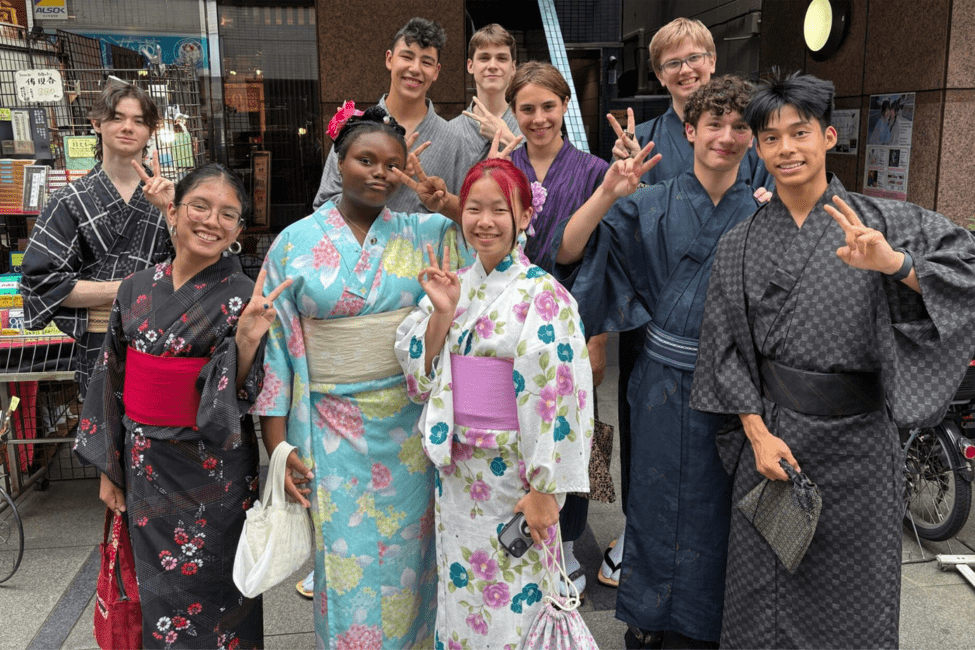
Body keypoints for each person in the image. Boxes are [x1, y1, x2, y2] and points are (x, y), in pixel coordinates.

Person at [690, 71, 975, 649]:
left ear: (828, 136)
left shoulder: (885, 221)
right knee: (762, 598)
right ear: (758, 147)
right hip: (775, 444)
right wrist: (756, 433)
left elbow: (967, 270)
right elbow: (721, 348)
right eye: (770, 138)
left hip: (862, 448)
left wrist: (896, 266)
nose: (786, 148)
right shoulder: (740, 243)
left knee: (855, 605)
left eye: (800, 133)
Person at [557, 76, 761, 649]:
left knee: (723, 510)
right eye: (713, 124)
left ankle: (715, 620)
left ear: (753, 137)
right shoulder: (647, 202)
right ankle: (649, 620)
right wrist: (606, 194)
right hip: (661, 384)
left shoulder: (766, 213)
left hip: (739, 390)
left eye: (739, 125)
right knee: (655, 501)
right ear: (688, 131)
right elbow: (571, 252)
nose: (725, 136)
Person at [257, 106, 471, 648]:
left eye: (393, 165)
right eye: (365, 159)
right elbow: (278, 349)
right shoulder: (294, 242)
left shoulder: (429, 232)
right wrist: (278, 451)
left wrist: (444, 202)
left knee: (415, 562)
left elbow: (494, 251)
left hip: (411, 428)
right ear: (339, 160)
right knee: (345, 566)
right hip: (332, 430)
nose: (379, 173)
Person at [74, 164, 288, 649]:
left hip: (215, 473)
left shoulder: (243, 298)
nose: (211, 221)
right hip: (146, 465)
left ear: (237, 231)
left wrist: (250, 340)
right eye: (200, 206)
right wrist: (110, 469)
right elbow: (111, 379)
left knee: (221, 594)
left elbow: (242, 394)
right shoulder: (134, 288)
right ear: (173, 210)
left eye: (227, 214)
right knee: (159, 595)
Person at [395, 158, 593, 648]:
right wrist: (442, 315)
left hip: (515, 476)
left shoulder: (544, 296)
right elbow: (420, 382)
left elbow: (558, 397)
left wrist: (549, 487)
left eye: (500, 210)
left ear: (525, 216)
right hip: (459, 474)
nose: (484, 221)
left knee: (514, 602)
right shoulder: (453, 287)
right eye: (475, 209)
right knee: (461, 597)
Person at [604, 18, 772, 588]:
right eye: (673, 62)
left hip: (728, 328)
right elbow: (622, 229)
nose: (687, 68)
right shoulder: (643, 134)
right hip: (657, 322)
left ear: (714, 62)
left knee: (715, 465)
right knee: (644, 439)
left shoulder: (746, 134)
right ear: (658, 73)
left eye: (697, 56)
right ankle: (638, 530)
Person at [506, 61, 609, 596]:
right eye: (527, 108)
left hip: (575, 309)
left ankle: (569, 541)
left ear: (564, 105)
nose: (539, 118)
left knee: (574, 427)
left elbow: (603, 257)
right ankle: (516, 522)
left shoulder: (594, 171)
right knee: (518, 423)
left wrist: (597, 334)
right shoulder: (503, 166)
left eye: (548, 106)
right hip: (513, 315)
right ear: (514, 111)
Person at [21, 81, 174, 398]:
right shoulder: (68, 200)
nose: (128, 127)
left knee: (163, 437)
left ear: (151, 130)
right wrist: (132, 289)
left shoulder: (172, 197)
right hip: (99, 343)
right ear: (97, 124)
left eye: (139, 121)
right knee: (103, 439)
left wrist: (171, 214)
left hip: (166, 340)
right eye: (117, 118)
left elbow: (199, 268)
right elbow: (42, 283)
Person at [312, 17, 463, 214]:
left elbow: (466, 212)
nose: (415, 69)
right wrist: (388, 178)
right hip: (361, 244)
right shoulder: (357, 127)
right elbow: (324, 207)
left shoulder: (453, 138)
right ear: (389, 59)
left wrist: (440, 200)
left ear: (436, 71)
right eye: (407, 57)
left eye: (426, 62)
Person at [450, 23, 522, 172]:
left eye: (501, 58)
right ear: (470, 66)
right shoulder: (450, 131)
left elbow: (544, 183)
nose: (492, 65)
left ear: (513, 67)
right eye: (484, 58)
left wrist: (506, 137)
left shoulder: (528, 126)